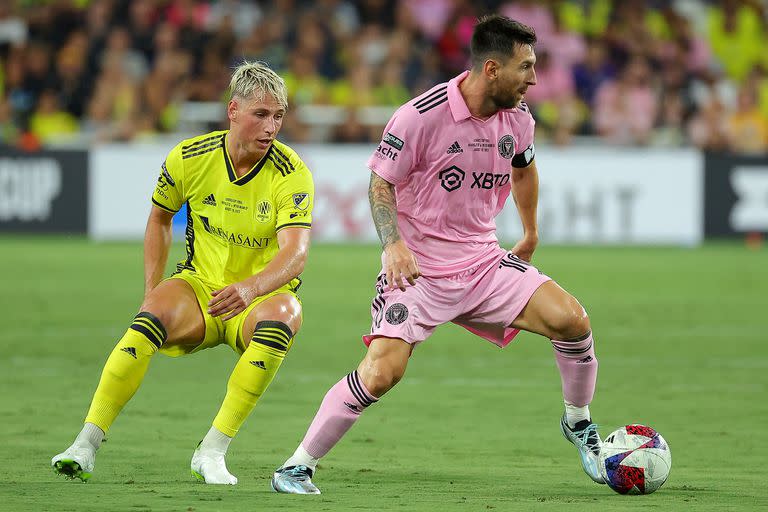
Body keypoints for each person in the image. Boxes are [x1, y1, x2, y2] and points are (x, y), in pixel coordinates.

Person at [271, 15, 604, 495]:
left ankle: (578, 422)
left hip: (484, 262)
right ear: (492, 69)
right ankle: (296, 467)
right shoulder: (419, 116)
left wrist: (529, 231)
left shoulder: (519, 120)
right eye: (526, 67)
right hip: (418, 272)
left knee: (573, 320)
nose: (534, 79)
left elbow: (525, 169)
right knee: (383, 372)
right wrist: (393, 245)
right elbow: (380, 181)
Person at [52, 61, 314, 485]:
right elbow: (159, 219)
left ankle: (211, 451)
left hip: (257, 298)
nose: (271, 127)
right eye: (260, 114)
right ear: (233, 110)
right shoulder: (191, 157)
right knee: (147, 320)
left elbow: (296, 255)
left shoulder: (291, 173)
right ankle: (85, 444)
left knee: (285, 315)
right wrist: (152, 289)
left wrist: (249, 289)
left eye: (279, 115)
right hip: (199, 290)